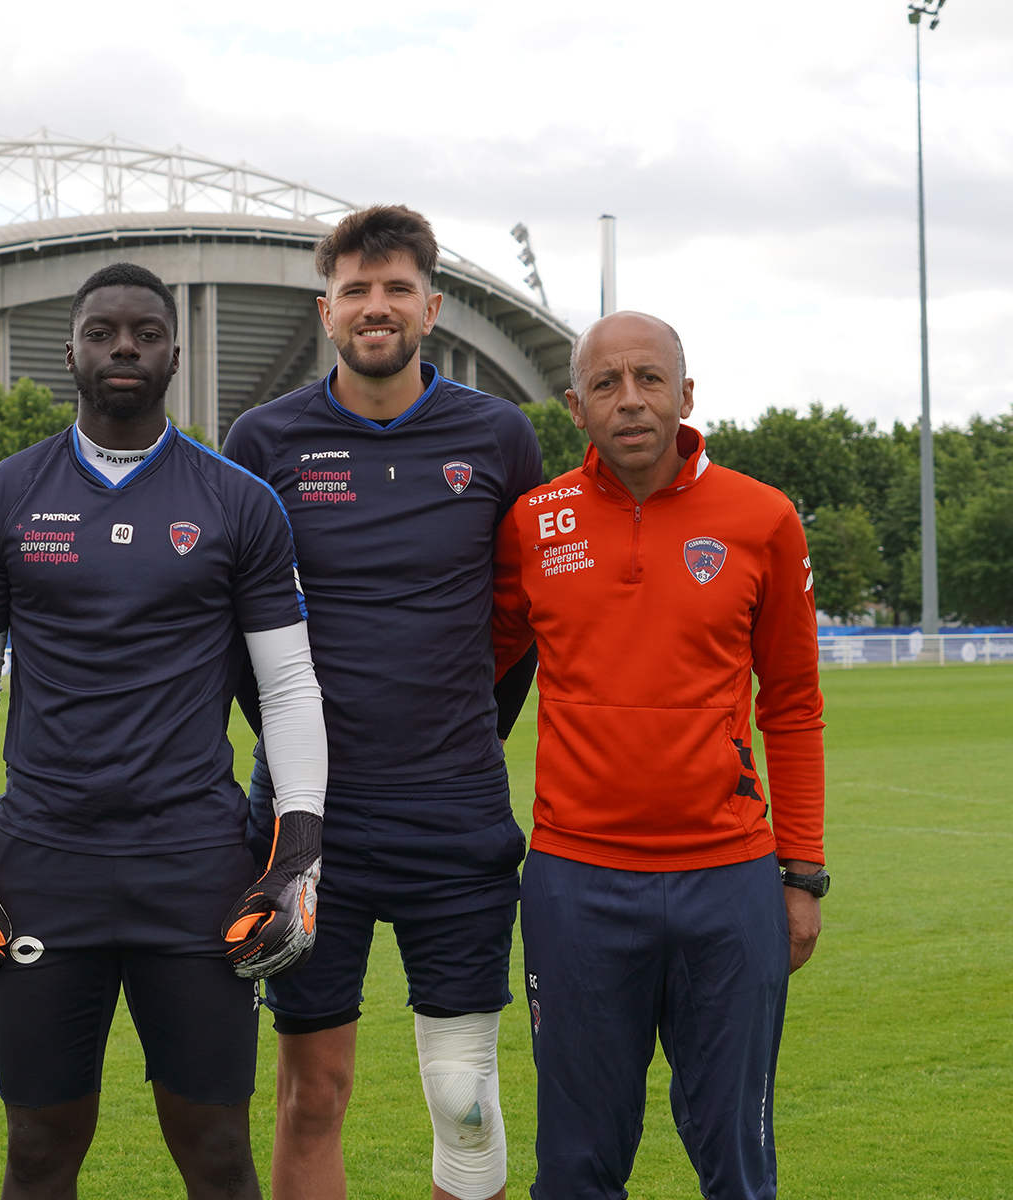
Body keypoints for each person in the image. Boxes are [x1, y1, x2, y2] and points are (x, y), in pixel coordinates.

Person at [0, 262, 329, 1200]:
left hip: (193, 863)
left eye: (144, 334)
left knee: (219, 1156)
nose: (123, 348)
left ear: (174, 355)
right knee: (37, 1154)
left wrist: (298, 848)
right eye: (103, 332)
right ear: (69, 349)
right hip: (43, 863)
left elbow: (289, 681)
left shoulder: (238, 501)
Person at [221, 205, 543, 1200]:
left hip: (454, 813)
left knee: (463, 1094)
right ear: (326, 311)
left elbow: (515, 621)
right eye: (356, 289)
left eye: (396, 288)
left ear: (431, 306)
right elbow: (238, 630)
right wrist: (297, 753)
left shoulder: (496, 435)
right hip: (313, 820)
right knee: (313, 1094)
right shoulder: (264, 437)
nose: (376, 305)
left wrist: (459, 738)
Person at [490, 311, 827, 1200]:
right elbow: (466, 672)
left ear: (686, 394)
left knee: (738, 1164)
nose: (629, 400)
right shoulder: (533, 522)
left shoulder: (762, 518)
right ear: (575, 406)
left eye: (649, 379)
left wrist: (803, 874)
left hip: (730, 883)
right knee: (574, 1167)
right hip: (575, 883)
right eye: (606, 384)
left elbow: (792, 707)